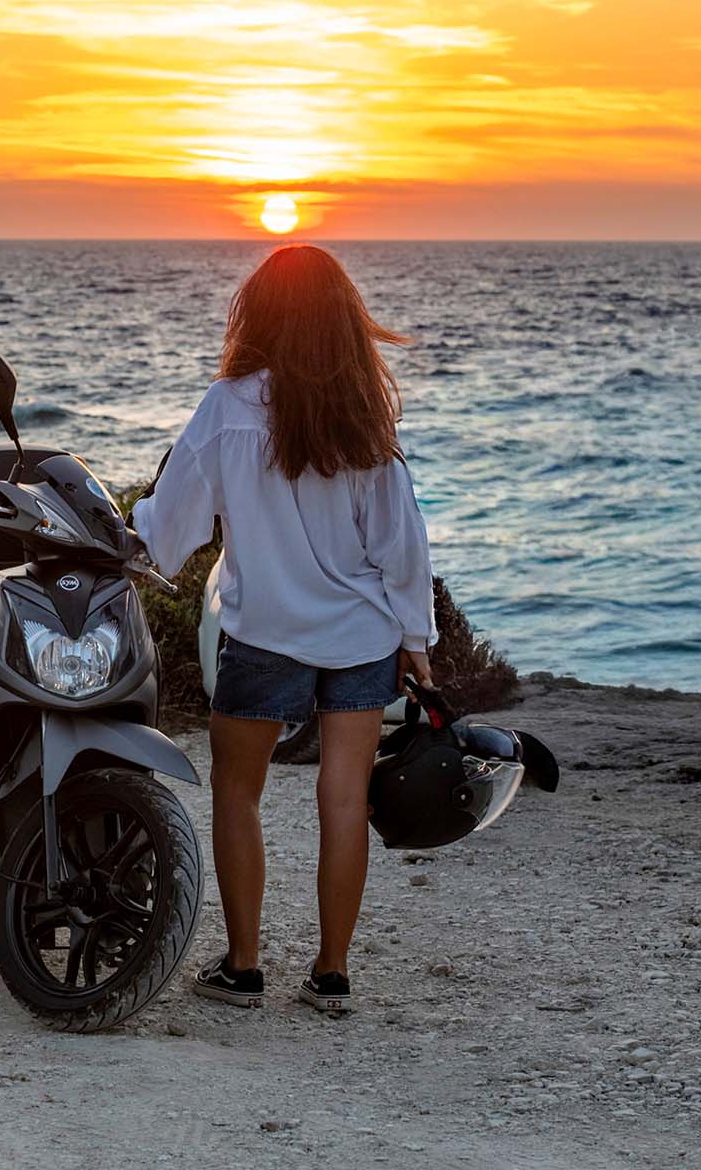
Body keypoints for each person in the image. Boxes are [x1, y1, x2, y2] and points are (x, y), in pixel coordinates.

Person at [132, 243, 435, 1014]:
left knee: (238, 794)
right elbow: (401, 546)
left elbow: (168, 536)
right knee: (344, 800)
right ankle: (331, 976)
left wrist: (126, 529)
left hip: (264, 631)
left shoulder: (225, 409)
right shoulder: (361, 419)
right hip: (361, 635)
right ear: (342, 324)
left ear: (258, 316)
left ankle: (243, 968)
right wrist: (418, 639)